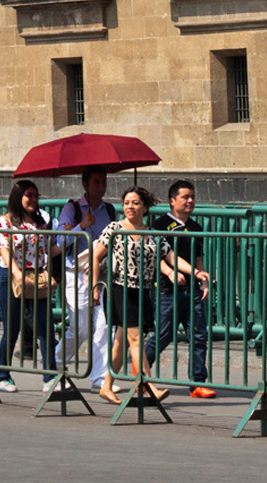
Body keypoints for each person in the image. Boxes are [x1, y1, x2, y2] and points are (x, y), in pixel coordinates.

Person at [91, 186, 201, 404]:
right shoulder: (115, 228)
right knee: (135, 339)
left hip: (142, 291)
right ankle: (149, 384)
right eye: (127, 203)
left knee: (121, 343)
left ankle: (106, 385)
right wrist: (95, 286)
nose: (130, 207)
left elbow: (171, 257)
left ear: (144, 207)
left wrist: (195, 272)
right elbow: (96, 256)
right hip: (120, 289)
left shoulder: (152, 233)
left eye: (135, 203)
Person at [147, 180, 216, 398]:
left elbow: (198, 257)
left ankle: (197, 382)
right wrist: (168, 271)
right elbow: (155, 256)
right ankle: (140, 372)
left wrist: (203, 280)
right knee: (163, 335)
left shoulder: (196, 227)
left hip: (192, 288)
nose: (190, 201)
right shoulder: (160, 225)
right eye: (185, 197)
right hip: (167, 289)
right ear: (172, 200)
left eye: (192, 197)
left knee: (198, 334)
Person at [55, 168, 116, 390]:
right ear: (85, 184)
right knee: (80, 328)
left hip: (100, 274)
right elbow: (60, 242)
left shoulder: (109, 210)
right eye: (97, 182)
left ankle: (100, 379)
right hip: (77, 273)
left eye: (104, 182)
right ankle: (56, 365)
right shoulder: (72, 208)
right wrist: (82, 226)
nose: (101, 186)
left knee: (103, 326)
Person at [0, 178, 55, 391]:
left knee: (45, 326)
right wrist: (16, 272)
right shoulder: (5, 221)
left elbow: (49, 248)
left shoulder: (40, 222)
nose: (33, 199)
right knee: (12, 327)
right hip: (12, 276)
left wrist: (78, 232)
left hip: (37, 276)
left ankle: (50, 377)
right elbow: (3, 248)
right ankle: (3, 376)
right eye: (29, 195)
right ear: (18, 196)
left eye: (36, 195)